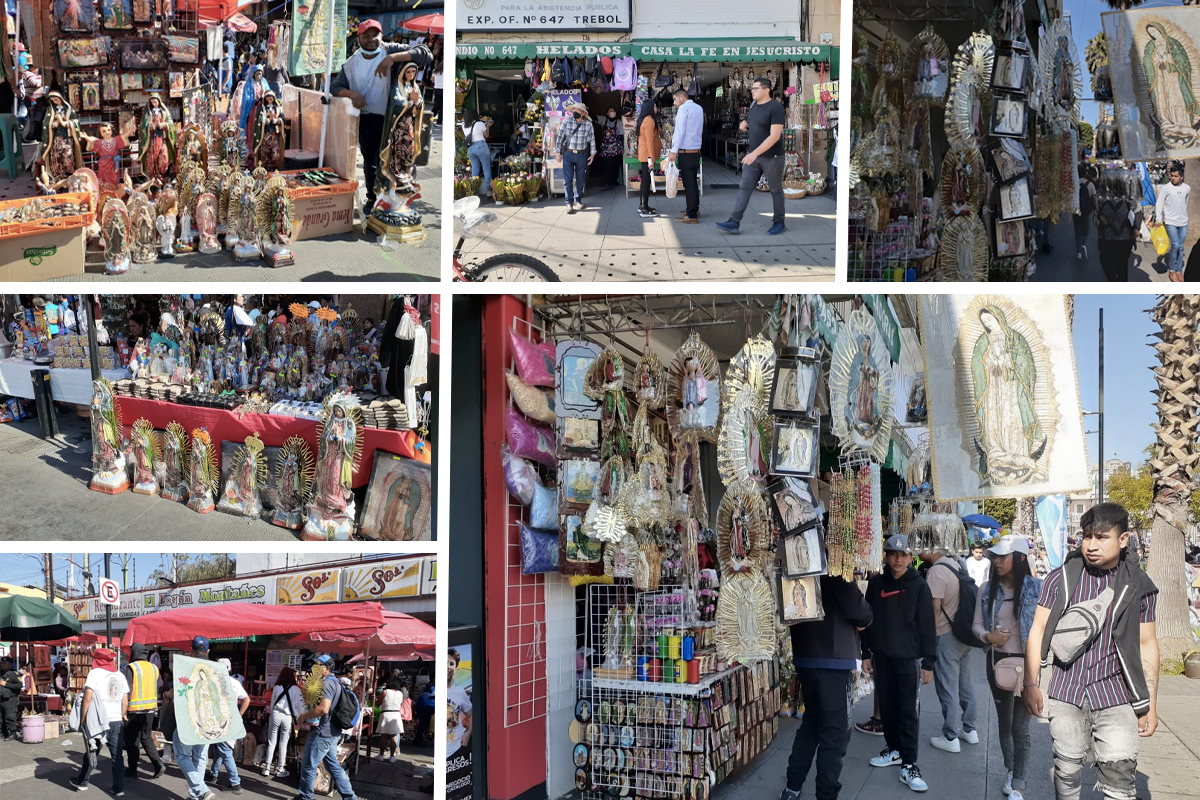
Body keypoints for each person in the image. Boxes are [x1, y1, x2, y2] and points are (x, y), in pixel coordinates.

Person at [1023, 503, 1160, 800]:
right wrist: (1031, 684)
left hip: (1117, 695)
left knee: (1120, 780)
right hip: (1067, 692)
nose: (1092, 545)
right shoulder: (1061, 579)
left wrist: (1150, 702)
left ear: (1123, 539)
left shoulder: (1139, 586)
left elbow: (1147, 644)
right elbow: (1037, 631)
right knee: (1067, 773)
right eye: (1087, 537)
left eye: (1101, 537)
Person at [779, 575, 873, 800]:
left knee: (812, 724)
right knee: (835, 732)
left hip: (806, 656)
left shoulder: (798, 568)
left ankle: (792, 788)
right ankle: (826, 794)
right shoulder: (836, 571)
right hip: (834, 658)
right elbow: (862, 613)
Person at [330, 19, 432, 217]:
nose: (371, 40)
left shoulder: (390, 50)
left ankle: (396, 198)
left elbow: (425, 54)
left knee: (398, 160)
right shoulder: (351, 64)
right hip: (368, 120)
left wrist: (392, 59)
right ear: (358, 38)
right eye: (366, 36)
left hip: (394, 120)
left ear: (381, 36)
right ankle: (372, 198)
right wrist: (352, 94)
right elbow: (335, 87)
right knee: (372, 161)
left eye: (374, 35)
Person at [862, 534, 936, 793]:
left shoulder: (919, 585)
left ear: (911, 558)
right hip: (882, 657)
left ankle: (909, 763)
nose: (898, 559)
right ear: (886, 555)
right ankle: (892, 749)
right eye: (893, 554)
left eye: (903, 555)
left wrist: (928, 663)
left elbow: (928, 626)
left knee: (908, 712)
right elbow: (867, 621)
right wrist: (865, 654)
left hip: (908, 660)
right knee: (888, 708)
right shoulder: (876, 584)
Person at [973, 537, 1042, 800]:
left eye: (1003, 556)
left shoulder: (1037, 588)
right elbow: (976, 624)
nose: (997, 561)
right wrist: (987, 637)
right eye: (995, 557)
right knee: (1005, 722)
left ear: (1021, 558)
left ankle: (1019, 782)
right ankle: (1011, 769)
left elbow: (1045, 628)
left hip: (1028, 665)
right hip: (997, 663)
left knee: (1021, 726)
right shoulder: (986, 589)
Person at [923, 547, 981, 754]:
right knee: (965, 683)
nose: (916, 551)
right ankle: (970, 729)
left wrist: (925, 638)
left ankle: (950, 736)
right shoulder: (955, 563)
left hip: (945, 634)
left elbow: (934, 610)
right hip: (963, 633)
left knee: (947, 686)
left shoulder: (936, 571)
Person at [716, 76, 787, 235]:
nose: (752, 91)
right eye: (752, 88)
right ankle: (734, 222)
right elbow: (755, 124)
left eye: (756, 88)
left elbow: (774, 136)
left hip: (772, 157)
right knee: (744, 188)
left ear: (766, 90)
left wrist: (754, 153)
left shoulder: (776, 108)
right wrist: (744, 125)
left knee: (775, 190)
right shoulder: (754, 105)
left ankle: (779, 222)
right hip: (754, 156)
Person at [295, 654, 358, 800]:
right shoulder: (335, 683)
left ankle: (306, 797)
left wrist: (304, 716)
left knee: (309, 766)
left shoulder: (327, 684)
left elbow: (323, 708)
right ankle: (350, 797)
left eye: (318, 666)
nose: (314, 669)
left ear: (327, 668)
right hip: (332, 732)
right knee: (333, 767)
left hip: (322, 732)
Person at [71, 648, 129, 795]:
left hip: (98, 720)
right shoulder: (120, 675)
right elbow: (125, 700)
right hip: (116, 721)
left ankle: (83, 782)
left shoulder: (95, 673)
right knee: (117, 757)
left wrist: (83, 719)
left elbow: (87, 697)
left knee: (92, 752)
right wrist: (121, 714)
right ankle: (119, 788)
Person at [168, 636, 217, 800]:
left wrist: (166, 695)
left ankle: (202, 790)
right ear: (208, 651)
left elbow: (176, 694)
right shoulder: (216, 670)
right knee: (200, 756)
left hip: (188, 719)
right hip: (208, 720)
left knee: (182, 755)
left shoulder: (185, 668)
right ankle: (195, 795)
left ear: (192, 651)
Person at [123, 643, 164, 780]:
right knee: (146, 737)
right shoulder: (154, 668)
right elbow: (159, 686)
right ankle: (158, 764)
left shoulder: (132, 667)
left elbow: (127, 691)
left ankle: (132, 770)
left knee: (131, 740)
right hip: (151, 710)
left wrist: (123, 710)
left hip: (134, 710)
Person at [209, 658, 250, 793]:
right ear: (230, 669)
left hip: (220, 722)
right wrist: (239, 714)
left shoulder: (212, 682)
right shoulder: (235, 682)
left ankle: (235, 783)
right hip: (231, 720)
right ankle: (213, 774)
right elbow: (246, 699)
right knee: (220, 748)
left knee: (225, 750)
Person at [665, 87, 704, 223]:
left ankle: (691, 215)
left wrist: (673, 150)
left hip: (686, 152)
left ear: (682, 97)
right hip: (696, 150)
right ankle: (694, 209)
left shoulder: (683, 109)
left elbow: (679, 131)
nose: (674, 103)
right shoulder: (699, 108)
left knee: (689, 184)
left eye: (675, 100)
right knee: (693, 181)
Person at [1097, 170, 1141, 282]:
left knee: (1121, 265)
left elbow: (1137, 212)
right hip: (1107, 237)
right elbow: (1096, 215)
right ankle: (1113, 280)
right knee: (1105, 262)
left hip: (1124, 238)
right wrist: (1099, 218)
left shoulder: (1129, 200)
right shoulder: (1102, 199)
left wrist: (1136, 228)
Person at [263, 665, 305, 779]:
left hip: (275, 714)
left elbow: (272, 704)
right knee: (283, 743)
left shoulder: (277, 687)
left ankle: (267, 768)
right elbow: (300, 706)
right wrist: (299, 717)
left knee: (272, 742)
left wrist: (272, 713)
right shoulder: (296, 689)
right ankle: (281, 769)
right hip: (287, 717)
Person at [555, 102, 596, 213]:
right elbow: (560, 137)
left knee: (580, 178)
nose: (575, 112)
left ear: (583, 113)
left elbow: (592, 140)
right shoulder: (567, 121)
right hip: (568, 154)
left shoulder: (588, 124)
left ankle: (578, 200)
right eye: (574, 110)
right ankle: (569, 203)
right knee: (567, 179)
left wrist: (592, 154)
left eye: (578, 110)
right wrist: (557, 153)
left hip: (582, 154)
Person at [1155, 165, 1190, 281]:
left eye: (1176, 176)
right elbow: (1159, 203)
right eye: (1172, 176)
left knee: (1181, 247)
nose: (1173, 178)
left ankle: (1179, 270)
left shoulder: (1187, 188)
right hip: (1171, 222)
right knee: (1175, 245)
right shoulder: (1166, 188)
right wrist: (1159, 220)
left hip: (1183, 222)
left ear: (1181, 177)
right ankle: (1172, 270)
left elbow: (1185, 202)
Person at [636, 97, 662, 219]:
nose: (657, 108)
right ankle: (644, 208)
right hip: (648, 155)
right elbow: (650, 141)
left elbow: (655, 133)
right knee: (646, 182)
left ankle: (643, 206)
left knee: (645, 181)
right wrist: (651, 159)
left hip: (645, 154)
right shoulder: (649, 121)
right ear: (651, 108)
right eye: (655, 106)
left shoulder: (645, 120)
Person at [446, 650, 472, 760]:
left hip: (454, 751)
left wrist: (468, 732)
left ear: (456, 668)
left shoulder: (460, 692)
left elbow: (472, 714)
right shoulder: (433, 691)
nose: (447, 667)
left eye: (451, 664)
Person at [375, 676, 408, 762]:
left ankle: (381, 755)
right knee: (394, 736)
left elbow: (378, 704)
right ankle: (392, 756)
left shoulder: (385, 692)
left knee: (384, 736)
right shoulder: (400, 693)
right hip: (396, 714)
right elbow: (400, 704)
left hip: (386, 714)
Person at [596, 106, 623, 188]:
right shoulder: (603, 120)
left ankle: (614, 181)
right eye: (610, 111)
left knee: (615, 164)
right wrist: (588, 110)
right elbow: (592, 117)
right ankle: (607, 182)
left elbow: (621, 135)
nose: (612, 113)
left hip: (615, 148)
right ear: (607, 113)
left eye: (614, 111)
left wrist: (621, 147)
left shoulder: (618, 122)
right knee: (607, 164)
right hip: (606, 148)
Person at [1075, 165, 1096, 260]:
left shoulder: (1074, 183)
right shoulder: (1090, 185)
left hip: (1076, 210)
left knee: (1077, 231)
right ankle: (1084, 244)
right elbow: (1094, 198)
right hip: (1087, 211)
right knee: (1086, 230)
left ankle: (1078, 251)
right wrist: (1097, 209)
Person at [0, 656, 20, 741]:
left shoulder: (14, 674)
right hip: (1, 698)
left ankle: (13, 733)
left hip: (10, 698)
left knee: (10, 716)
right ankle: (3, 732)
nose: (3, 665)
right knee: (1, 717)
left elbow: (18, 685)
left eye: (5, 663)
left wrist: (6, 684)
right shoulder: (1, 673)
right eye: (2, 663)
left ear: (10, 664)